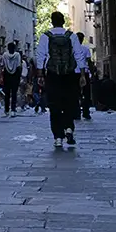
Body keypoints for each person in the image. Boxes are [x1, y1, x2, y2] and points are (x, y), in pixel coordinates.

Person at [35, 11, 82, 149]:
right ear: (63, 21)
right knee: (69, 101)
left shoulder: (45, 36)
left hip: (52, 74)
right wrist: (83, 74)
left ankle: (58, 137)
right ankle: (69, 128)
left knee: (54, 104)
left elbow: (40, 56)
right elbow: (78, 55)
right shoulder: (71, 36)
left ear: (52, 21)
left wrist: (40, 74)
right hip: (69, 74)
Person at [0, 42, 23, 116]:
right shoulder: (17, 55)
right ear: (14, 48)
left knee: (7, 93)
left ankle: (6, 110)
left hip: (7, 75)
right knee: (14, 93)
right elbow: (19, 65)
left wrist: (0, 75)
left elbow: (2, 65)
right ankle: (13, 109)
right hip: (15, 75)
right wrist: (20, 76)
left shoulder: (5, 55)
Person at [75, 32, 93, 120]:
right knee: (86, 93)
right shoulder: (86, 49)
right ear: (82, 40)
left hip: (74, 73)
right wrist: (92, 71)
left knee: (75, 93)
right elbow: (89, 61)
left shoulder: (71, 50)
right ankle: (86, 112)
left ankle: (76, 113)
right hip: (84, 73)